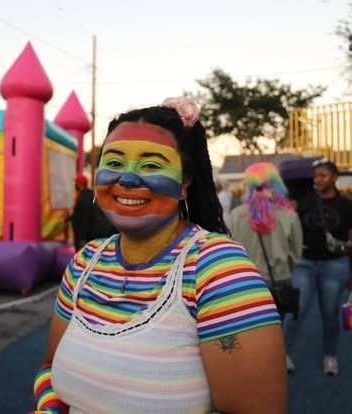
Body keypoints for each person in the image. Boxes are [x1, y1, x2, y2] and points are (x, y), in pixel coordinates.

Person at [31, 97, 287, 414]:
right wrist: (49, 410)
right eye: (113, 163)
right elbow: (49, 369)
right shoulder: (86, 262)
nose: (126, 178)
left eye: (151, 165)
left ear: (184, 184)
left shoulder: (216, 268)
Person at [283, 158, 352, 376]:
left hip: (336, 265)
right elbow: (291, 230)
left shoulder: (347, 205)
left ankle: (329, 356)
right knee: (297, 309)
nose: (318, 180)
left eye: (323, 176)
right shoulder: (304, 202)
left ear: (335, 178)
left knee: (330, 313)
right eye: (315, 176)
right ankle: (282, 354)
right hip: (305, 263)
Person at [229, 162, 302, 288]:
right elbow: (296, 253)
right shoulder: (289, 215)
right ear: (277, 184)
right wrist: (282, 269)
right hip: (280, 279)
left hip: (246, 279)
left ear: (248, 185)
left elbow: (230, 248)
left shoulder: (236, 215)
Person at [68, 174, 95, 251]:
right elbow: (79, 215)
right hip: (82, 236)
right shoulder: (86, 195)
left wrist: (82, 238)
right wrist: (68, 218)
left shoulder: (85, 198)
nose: (75, 185)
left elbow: (86, 218)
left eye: (76, 183)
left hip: (82, 237)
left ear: (79, 184)